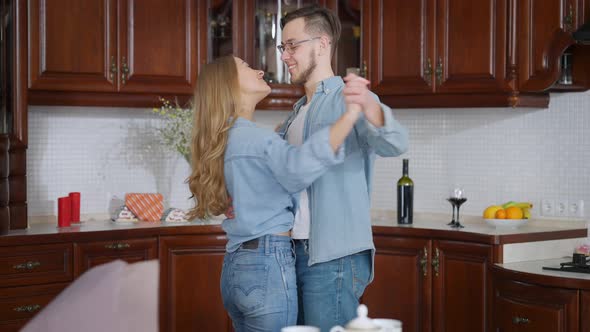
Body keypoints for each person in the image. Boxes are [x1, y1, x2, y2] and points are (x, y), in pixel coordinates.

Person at [186, 55, 368, 332]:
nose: (259, 70)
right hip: (267, 263)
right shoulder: (255, 139)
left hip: (236, 264)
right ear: (231, 84)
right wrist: (351, 114)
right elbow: (300, 168)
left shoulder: (227, 139)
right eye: (247, 67)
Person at [276, 5, 409, 331]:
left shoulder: (345, 99)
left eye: (292, 45)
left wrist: (369, 106)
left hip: (334, 258)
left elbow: (395, 142)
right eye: (283, 47)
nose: (285, 56)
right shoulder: (296, 113)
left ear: (322, 44)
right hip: (295, 253)